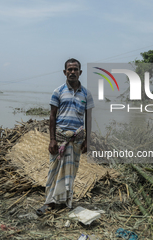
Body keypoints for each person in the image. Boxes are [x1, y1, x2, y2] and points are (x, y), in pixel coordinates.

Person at [36, 58, 94, 216]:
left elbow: (88, 119)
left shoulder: (86, 94)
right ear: (65, 72)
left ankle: (65, 201)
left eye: (75, 69)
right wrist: (52, 139)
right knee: (54, 171)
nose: (73, 72)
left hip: (77, 140)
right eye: (70, 69)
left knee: (70, 172)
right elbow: (52, 116)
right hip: (60, 138)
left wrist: (88, 140)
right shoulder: (58, 91)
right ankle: (49, 202)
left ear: (80, 72)